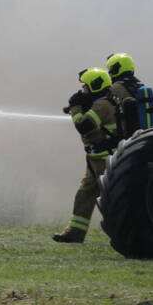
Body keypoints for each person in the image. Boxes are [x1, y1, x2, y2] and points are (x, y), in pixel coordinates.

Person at [53, 67, 119, 243]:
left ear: (95, 86)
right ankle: (75, 233)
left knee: (112, 198)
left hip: (106, 160)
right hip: (96, 159)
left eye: (85, 87)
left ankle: (122, 233)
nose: (83, 91)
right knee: (85, 194)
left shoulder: (103, 105)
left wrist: (75, 108)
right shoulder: (100, 103)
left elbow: (84, 126)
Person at [105, 52, 153, 137]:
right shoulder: (139, 85)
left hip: (128, 136)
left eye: (110, 70)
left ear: (116, 69)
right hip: (145, 132)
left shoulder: (114, 89)